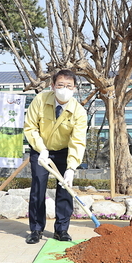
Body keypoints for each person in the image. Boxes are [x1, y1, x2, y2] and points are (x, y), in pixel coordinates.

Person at [24, 69, 87, 244]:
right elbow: (30, 127)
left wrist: (71, 168)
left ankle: (61, 230)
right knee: (38, 187)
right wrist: (41, 149)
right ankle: (36, 229)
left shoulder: (79, 112)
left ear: (74, 88)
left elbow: (78, 141)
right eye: (60, 85)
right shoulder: (40, 100)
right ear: (52, 86)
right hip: (41, 149)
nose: (64, 89)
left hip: (64, 151)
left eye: (69, 86)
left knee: (65, 190)